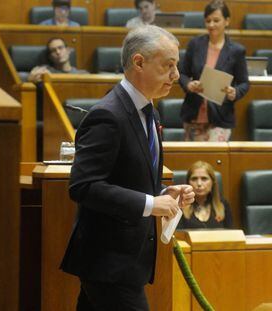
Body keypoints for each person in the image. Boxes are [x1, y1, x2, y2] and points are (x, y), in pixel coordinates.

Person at [60, 25, 195, 310]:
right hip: (108, 263)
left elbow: (126, 176)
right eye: (168, 66)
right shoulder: (107, 115)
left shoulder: (150, 112)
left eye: (177, 66)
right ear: (138, 62)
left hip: (127, 262)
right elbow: (84, 186)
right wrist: (150, 203)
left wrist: (163, 193)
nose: (176, 76)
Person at [179, 0, 249, 142]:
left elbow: (244, 83)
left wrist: (234, 92)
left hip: (220, 117)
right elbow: (182, 74)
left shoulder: (236, 51)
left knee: (215, 163)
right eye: (208, 21)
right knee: (193, 163)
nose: (211, 25)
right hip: (193, 114)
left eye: (216, 20)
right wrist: (189, 85)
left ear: (227, 21)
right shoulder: (195, 44)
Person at [178, 161, 233, 229]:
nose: (199, 184)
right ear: (188, 183)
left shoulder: (223, 204)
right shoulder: (180, 206)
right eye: (194, 179)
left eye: (204, 179)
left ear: (213, 182)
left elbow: (231, 234)